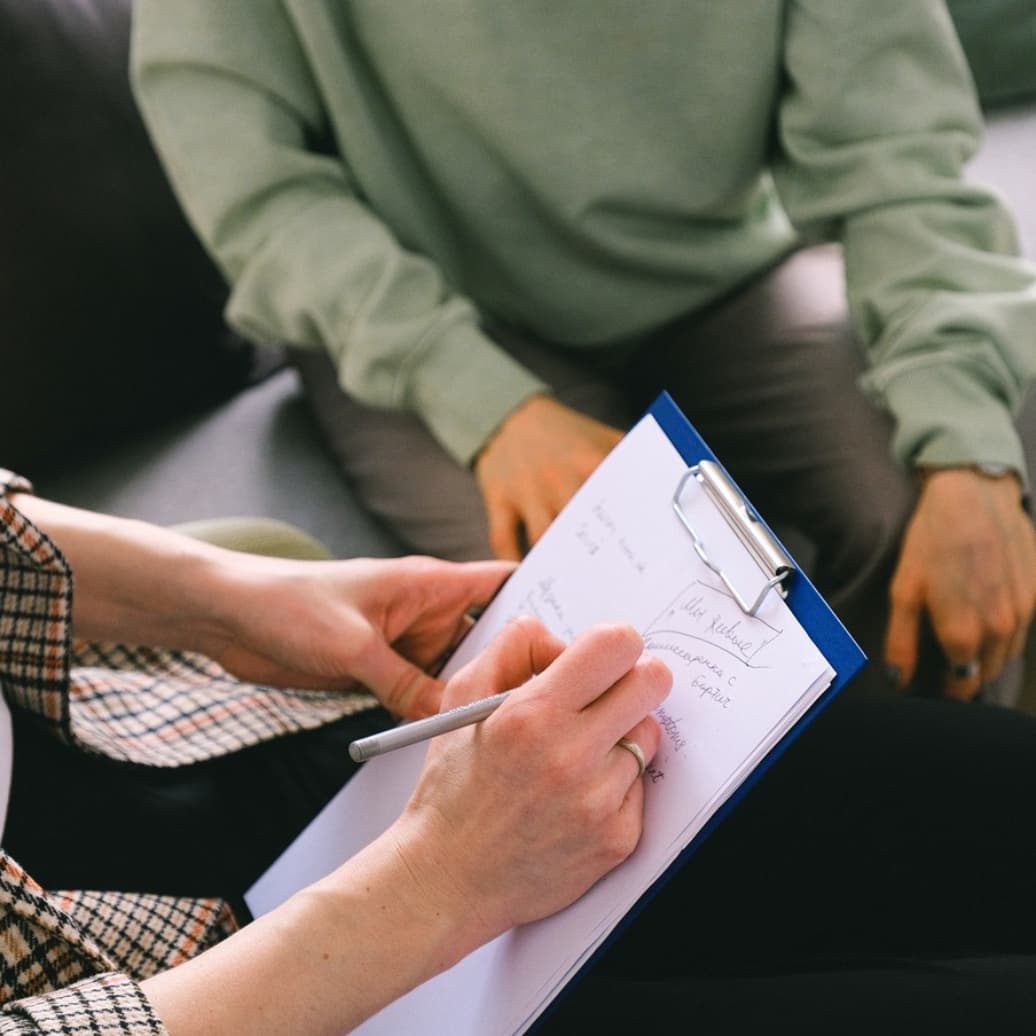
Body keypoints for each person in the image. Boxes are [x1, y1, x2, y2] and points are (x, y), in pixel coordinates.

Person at [129, 0, 1036, 704]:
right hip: (422, 317)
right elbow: (260, 194)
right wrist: (486, 404)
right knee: (608, 640)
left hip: (722, 274)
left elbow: (901, 154)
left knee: (933, 496)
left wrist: (967, 448)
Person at [6, 473, 1036, 1034]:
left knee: (983, 797)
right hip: (193, 997)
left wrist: (226, 599)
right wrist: (436, 885)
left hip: (168, 726)